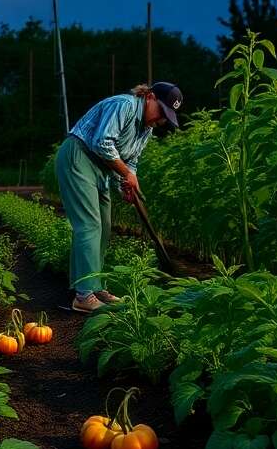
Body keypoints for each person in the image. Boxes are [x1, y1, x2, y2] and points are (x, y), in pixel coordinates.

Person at [55, 81, 182, 312]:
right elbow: (103, 143)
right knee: (89, 225)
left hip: (101, 170)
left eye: (166, 117)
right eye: (162, 112)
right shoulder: (123, 105)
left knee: (104, 226)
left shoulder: (147, 129)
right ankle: (83, 296)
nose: (161, 120)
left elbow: (130, 160)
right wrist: (125, 173)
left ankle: (95, 286)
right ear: (150, 97)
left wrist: (127, 182)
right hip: (79, 156)